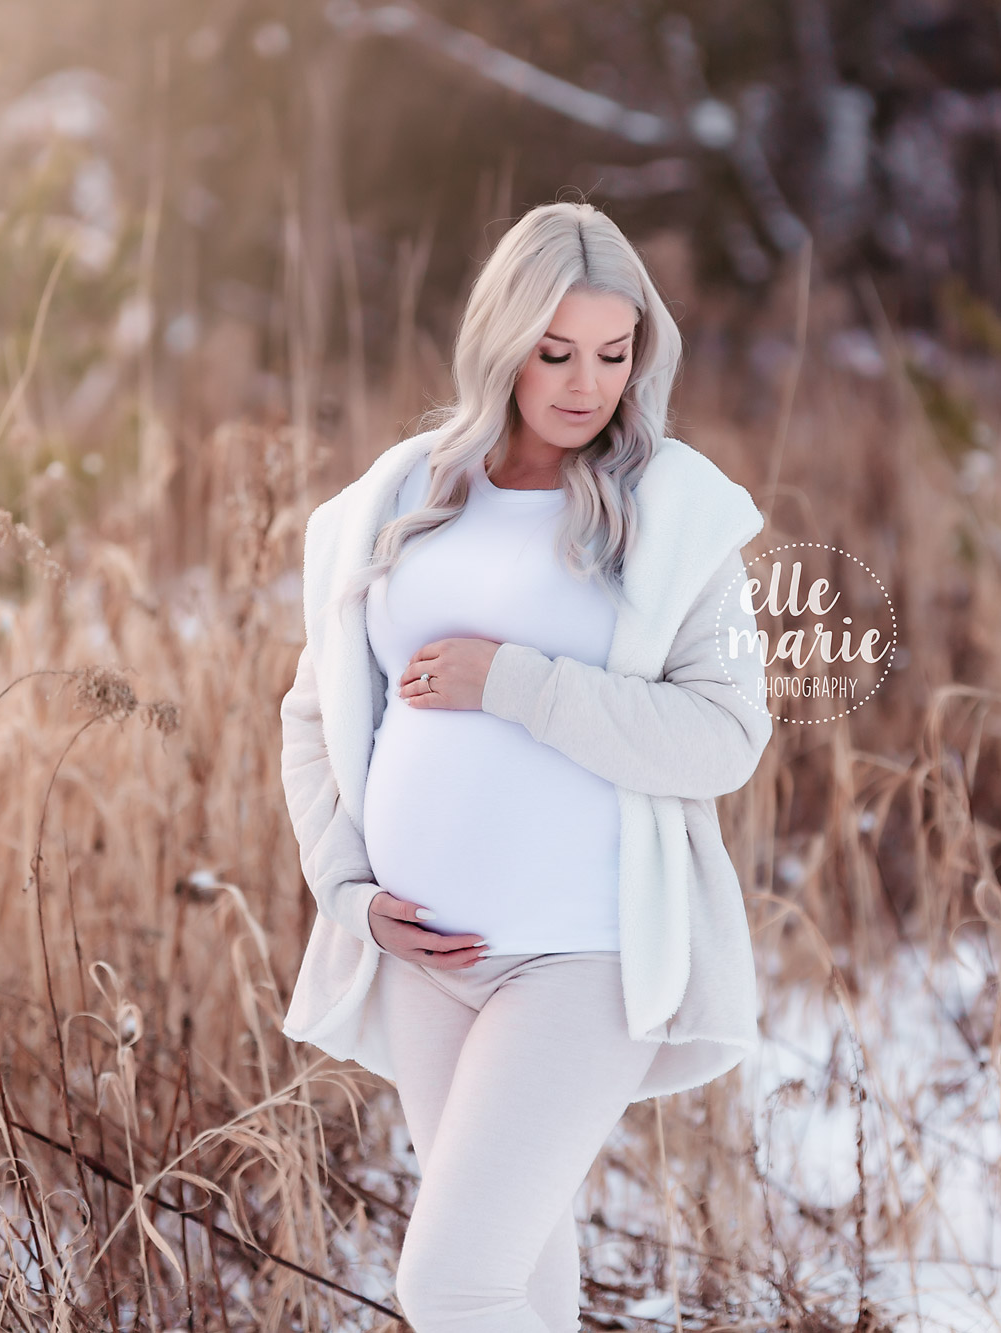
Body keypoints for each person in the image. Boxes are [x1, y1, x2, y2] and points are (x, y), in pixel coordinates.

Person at [277, 200, 777, 1333]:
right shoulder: (398, 497)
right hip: (425, 957)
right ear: (500, 341)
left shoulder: (671, 511)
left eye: (613, 353)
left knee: (448, 1282)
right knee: (519, 1275)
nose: (584, 383)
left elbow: (723, 738)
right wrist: (348, 894)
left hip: (579, 958)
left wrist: (516, 681)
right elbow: (314, 716)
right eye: (554, 353)